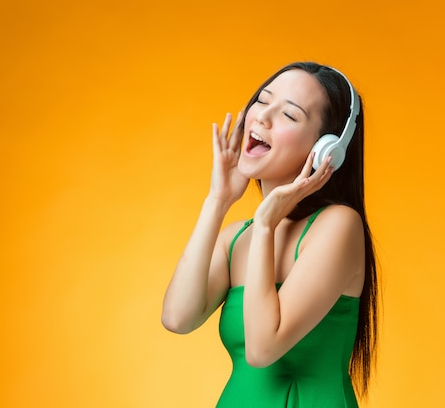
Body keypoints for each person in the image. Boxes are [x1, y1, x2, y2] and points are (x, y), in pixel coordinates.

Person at [161, 61, 379, 408]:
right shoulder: (235, 239)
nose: (262, 117)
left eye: (289, 115)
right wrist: (217, 201)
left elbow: (263, 348)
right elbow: (177, 318)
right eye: (263, 101)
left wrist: (266, 225)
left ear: (326, 150)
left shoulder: (338, 226)